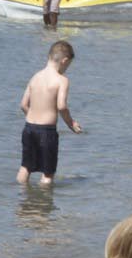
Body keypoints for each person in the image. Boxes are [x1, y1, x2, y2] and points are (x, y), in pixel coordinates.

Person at [17, 40, 84, 186]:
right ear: (64, 61)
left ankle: (22, 198)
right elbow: (61, 106)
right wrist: (71, 123)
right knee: (47, 173)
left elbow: (23, 105)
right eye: (68, 65)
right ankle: (42, 204)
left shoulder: (35, 77)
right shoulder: (62, 80)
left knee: (25, 167)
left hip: (29, 128)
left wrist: (33, 117)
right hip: (46, 132)